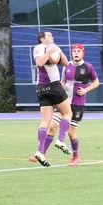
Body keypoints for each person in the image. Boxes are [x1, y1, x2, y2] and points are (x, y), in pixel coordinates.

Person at [29, 30, 71, 167]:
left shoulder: (53, 47)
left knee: (45, 121)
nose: (52, 37)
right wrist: (50, 51)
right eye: (49, 36)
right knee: (67, 112)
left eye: (52, 36)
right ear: (42, 39)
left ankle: (40, 152)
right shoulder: (39, 48)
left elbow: (65, 63)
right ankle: (61, 140)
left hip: (42, 89)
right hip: (52, 85)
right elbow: (40, 63)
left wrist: (58, 49)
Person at [55, 43, 99, 167]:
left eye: (78, 51)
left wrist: (85, 90)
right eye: (74, 51)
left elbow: (96, 82)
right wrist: (62, 85)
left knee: (71, 131)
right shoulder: (66, 66)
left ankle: (75, 157)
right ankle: (45, 150)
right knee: (54, 123)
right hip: (65, 101)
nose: (76, 53)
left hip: (78, 103)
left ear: (82, 53)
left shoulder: (88, 66)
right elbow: (62, 82)